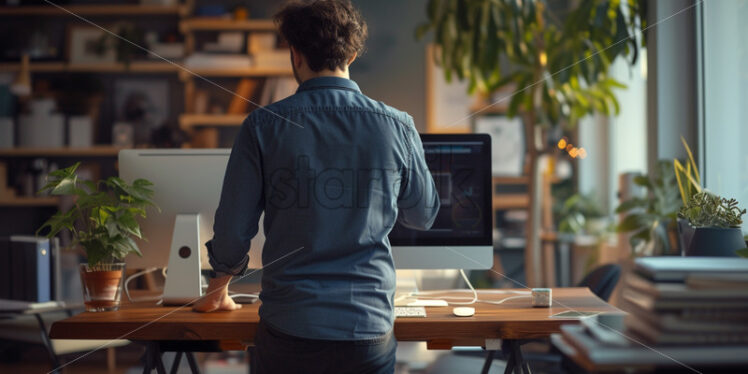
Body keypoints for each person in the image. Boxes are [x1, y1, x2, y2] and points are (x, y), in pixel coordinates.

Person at [193, 1, 440, 372]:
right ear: (352, 54)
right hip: (367, 329)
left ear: (295, 55)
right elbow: (423, 216)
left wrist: (217, 291)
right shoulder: (398, 126)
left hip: (289, 330)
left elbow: (232, 229)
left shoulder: (262, 126)